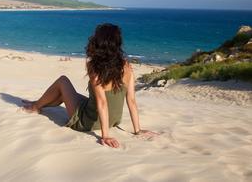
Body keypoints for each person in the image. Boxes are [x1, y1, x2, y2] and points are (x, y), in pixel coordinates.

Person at [22, 23, 157, 148]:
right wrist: (137, 130)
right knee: (68, 95)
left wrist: (105, 136)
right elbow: (131, 101)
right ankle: (39, 103)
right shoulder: (126, 66)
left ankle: (35, 106)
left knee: (62, 81)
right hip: (114, 120)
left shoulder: (95, 67)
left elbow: (102, 102)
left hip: (89, 122)